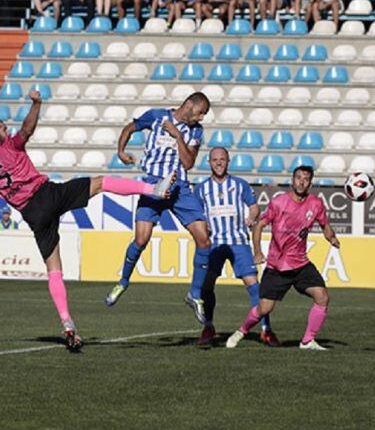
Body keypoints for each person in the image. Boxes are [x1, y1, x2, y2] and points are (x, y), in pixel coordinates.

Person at [0, 90, 177, 352]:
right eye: (4, 128)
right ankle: (153, 189)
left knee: (54, 270)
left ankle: (67, 323)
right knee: (101, 182)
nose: (8, 131)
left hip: (32, 214)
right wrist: (37, 103)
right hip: (46, 194)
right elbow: (27, 129)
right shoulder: (10, 146)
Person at [105, 93, 212, 324]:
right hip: (152, 185)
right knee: (141, 239)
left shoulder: (196, 131)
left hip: (180, 187)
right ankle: (123, 281)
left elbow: (188, 163)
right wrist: (121, 151)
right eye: (201, 112)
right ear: (189, 104)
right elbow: (130, 128)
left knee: (204, 239)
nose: (201, 117)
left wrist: (177, 136)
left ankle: (194, 294)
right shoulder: (156, 116)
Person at [225, 165, 340, 351]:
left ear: (310, 183)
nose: (301, 182)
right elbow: (258, 225)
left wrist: (332, 238)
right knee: (264, 309)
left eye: (306, 179)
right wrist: (257, 252)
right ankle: (241, 331)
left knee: (322, 297)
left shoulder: (316, 204)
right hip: (278, 267)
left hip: (301, 264)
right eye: (298, 178)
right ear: (292, 181)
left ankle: (307, 341)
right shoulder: (279, 203)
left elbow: (325, 225)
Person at [194, 147, 278, 347]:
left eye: (222, 159)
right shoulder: (201, 189)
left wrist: (252, 216)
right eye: (215, 159)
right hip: (214, 243)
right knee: (207, 285)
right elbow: (196, 214)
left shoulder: (240, 184)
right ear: (209, 162)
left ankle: (266, 329)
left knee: (253, 284)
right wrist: (202, 225)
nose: (219, 163)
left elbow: (254, 207)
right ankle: (208, 326)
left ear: (228, 161)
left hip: (238, 241)